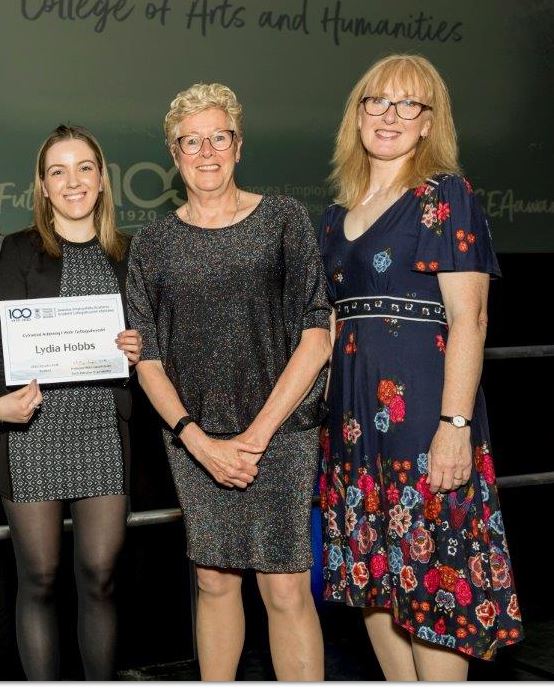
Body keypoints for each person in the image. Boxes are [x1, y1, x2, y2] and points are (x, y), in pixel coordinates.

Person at [318, 54, 523, 681]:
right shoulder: (336, 211)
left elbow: (472, 320)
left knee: (432, 588)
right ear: (357, 114)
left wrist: (454, 424)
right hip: (352, 430)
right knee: (374, 583)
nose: (390, 116)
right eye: (376, 101)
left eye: (409, 105)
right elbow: (329, 329)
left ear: (429, 123)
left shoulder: (445, 197)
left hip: (423, 427)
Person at [127, 83, 331, 681]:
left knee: (287, 586)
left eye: (219, 137)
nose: (207, 152)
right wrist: (201, 442)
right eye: (192, 141)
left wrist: (253, 440)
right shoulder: (153, 242)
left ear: (238, 146)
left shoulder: (283, 219)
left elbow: (317, 338)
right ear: (174, 153)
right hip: (194, 440)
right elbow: (149, 358)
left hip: (281, 431)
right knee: (213, 581)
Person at [0, 125, 142, 681]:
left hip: (102, 428)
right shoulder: (15, 251)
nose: (72, 181)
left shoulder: (129, 254)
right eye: (57, 171)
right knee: (38, 577)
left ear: (103, 179)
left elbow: (154, 345)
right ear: (42, 187)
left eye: (84, 167)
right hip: (30, 430)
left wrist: (139, 344)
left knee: (101, 575)